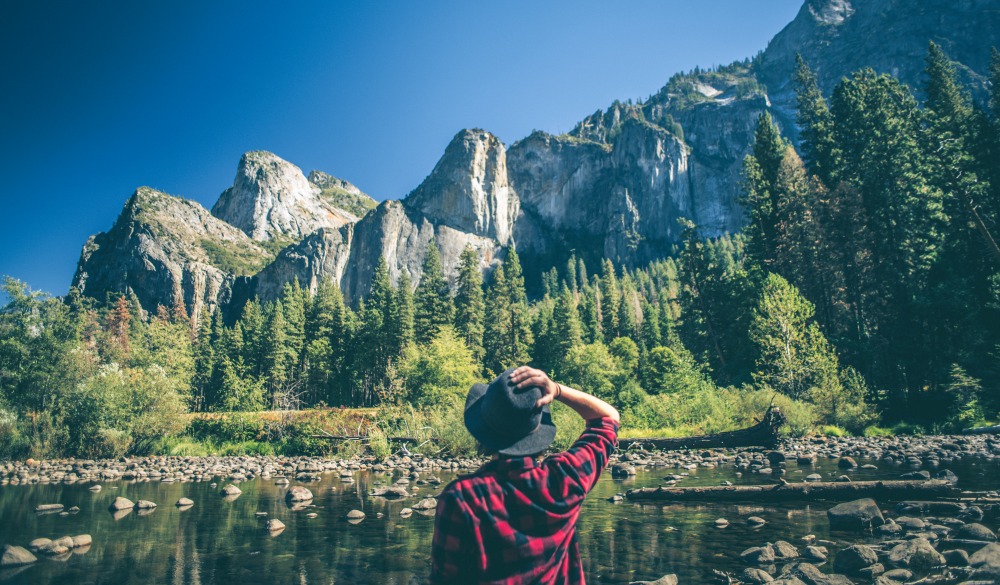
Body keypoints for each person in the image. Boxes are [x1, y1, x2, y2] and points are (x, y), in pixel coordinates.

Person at [430, 365, 620, 584]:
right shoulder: (565, 477)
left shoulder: (462, 498)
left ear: (484, 431)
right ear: (537, 429)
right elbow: (608, 417)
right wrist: (557, 390)